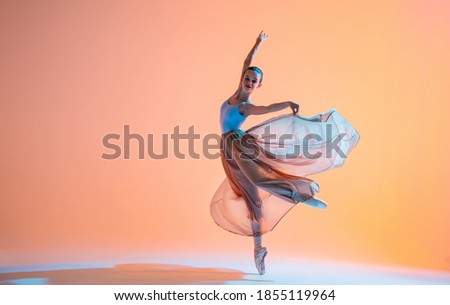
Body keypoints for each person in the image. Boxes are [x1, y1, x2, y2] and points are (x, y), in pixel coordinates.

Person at [211, 31, 360, 275]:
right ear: (242, 78)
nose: (248, 82)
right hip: (226, 150)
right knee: (252, 199)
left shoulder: (245, 106)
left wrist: (287, 103)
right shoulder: (237, 91)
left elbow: (267, 108)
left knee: (260, 179)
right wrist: (258, 43)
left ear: (258, 86)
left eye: (253, 82)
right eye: (247, 78)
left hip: (236, 144)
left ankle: (301, 193)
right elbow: (246, 62)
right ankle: (258, 249)